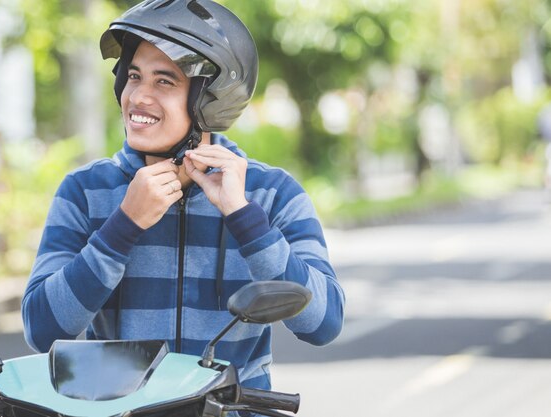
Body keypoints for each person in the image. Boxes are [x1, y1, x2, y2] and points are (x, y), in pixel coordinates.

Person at [22, 0, 345, 397]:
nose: (138, 96)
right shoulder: (85, 192)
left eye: (164, 81)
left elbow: (323, 323)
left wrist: (242, 216)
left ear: (210, 100)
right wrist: (122, 227)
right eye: (134, 76)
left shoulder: (272, 193)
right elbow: (42, 329)